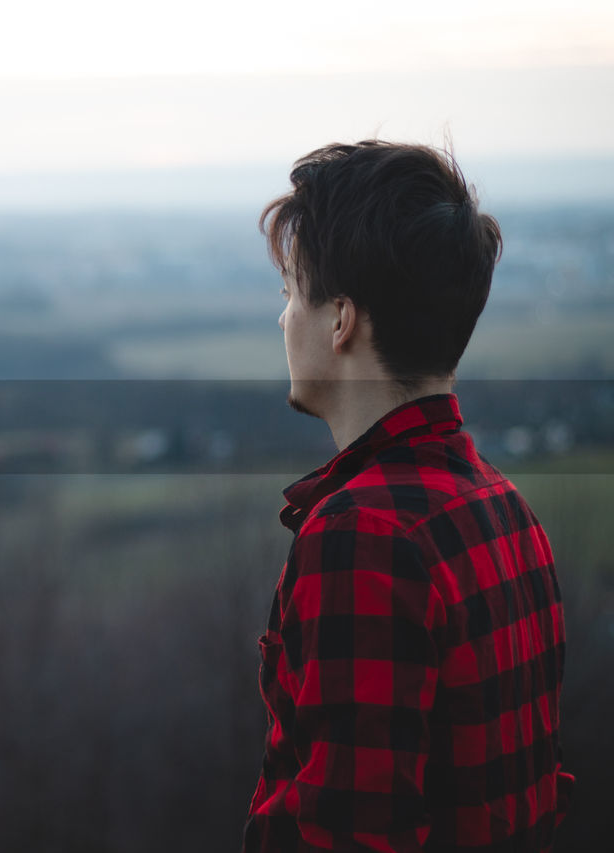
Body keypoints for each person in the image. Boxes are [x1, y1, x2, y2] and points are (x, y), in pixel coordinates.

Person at [243, 139, 574, 851]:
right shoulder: (508, 511)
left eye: (291, 291)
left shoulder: (362, 534)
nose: (281, 319)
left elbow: (350, 835)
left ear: (340, 320)